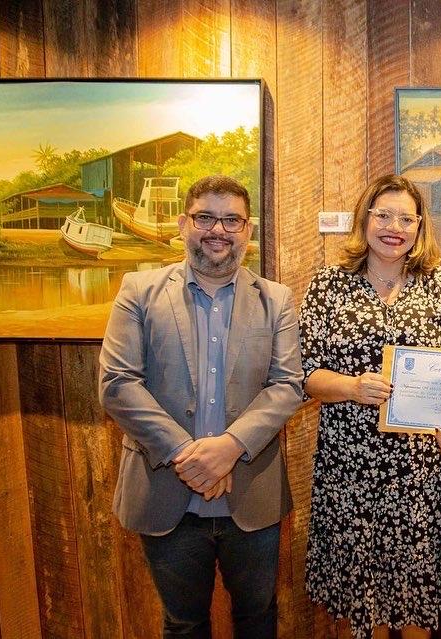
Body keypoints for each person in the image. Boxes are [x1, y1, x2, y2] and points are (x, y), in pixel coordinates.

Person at [99, 174, 304, 637]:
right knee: (183, 623)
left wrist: (229, 446)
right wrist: (189, 456)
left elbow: (288, 384)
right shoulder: (138, 290)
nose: (218, 230)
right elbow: (116, 382)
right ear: (182, 223)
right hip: (166, 492)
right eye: (205, 217)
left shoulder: (276, 300)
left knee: (257, 619)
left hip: (250, 497)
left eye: (232, 220)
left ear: (247, 230)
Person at [299, 174, 441, 639]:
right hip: (352, 468)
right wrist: (353, 387)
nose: (394, 227)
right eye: (384, 215)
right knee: (367, 601)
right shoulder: (329, 285)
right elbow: (306, 375)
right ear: (365, 219)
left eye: (406, 218)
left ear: (420, 227)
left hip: (422, 472)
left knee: (418, 600)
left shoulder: (439, 285)